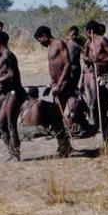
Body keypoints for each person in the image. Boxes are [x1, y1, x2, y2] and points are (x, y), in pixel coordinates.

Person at [34, 26, 75, 157]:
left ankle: (65, 146)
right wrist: (51, 82)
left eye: (40, 39)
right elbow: (54, 66)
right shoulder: (50, 47)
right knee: (55, 116)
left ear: (45, 35)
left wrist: (60, 83)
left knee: (55, 116)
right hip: (56, 85)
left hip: (64, 84)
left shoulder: (59, 44)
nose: (40, 43)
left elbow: (68, 64)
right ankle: (65, 145)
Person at [0, 31, 28, 161]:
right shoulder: (1, 55)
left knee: (11, 124)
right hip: (8, 93)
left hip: (15, 92)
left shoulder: (7, 55)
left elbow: (11, 74)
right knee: (0, 123)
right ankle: (12, 151)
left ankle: (16, 154)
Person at [83, 20, 108, 148]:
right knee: (98, 108)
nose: (85, 33)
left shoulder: (102, 40)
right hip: (99, 78)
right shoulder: (88, 43)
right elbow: (85, 58)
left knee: (102, 107)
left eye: (85, 30)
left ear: (89, 31)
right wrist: (89, 59)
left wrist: (101, 60)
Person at [65, 26, 83, 90]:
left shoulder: (79, 41)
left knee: (75, 84)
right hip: (68, 67)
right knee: (69, 84)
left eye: (76, 34)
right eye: (73, 34)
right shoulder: (66, 42)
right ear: (69, 33)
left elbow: (84, 50)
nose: (74, 36)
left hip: (76, 66)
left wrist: (75, 43)